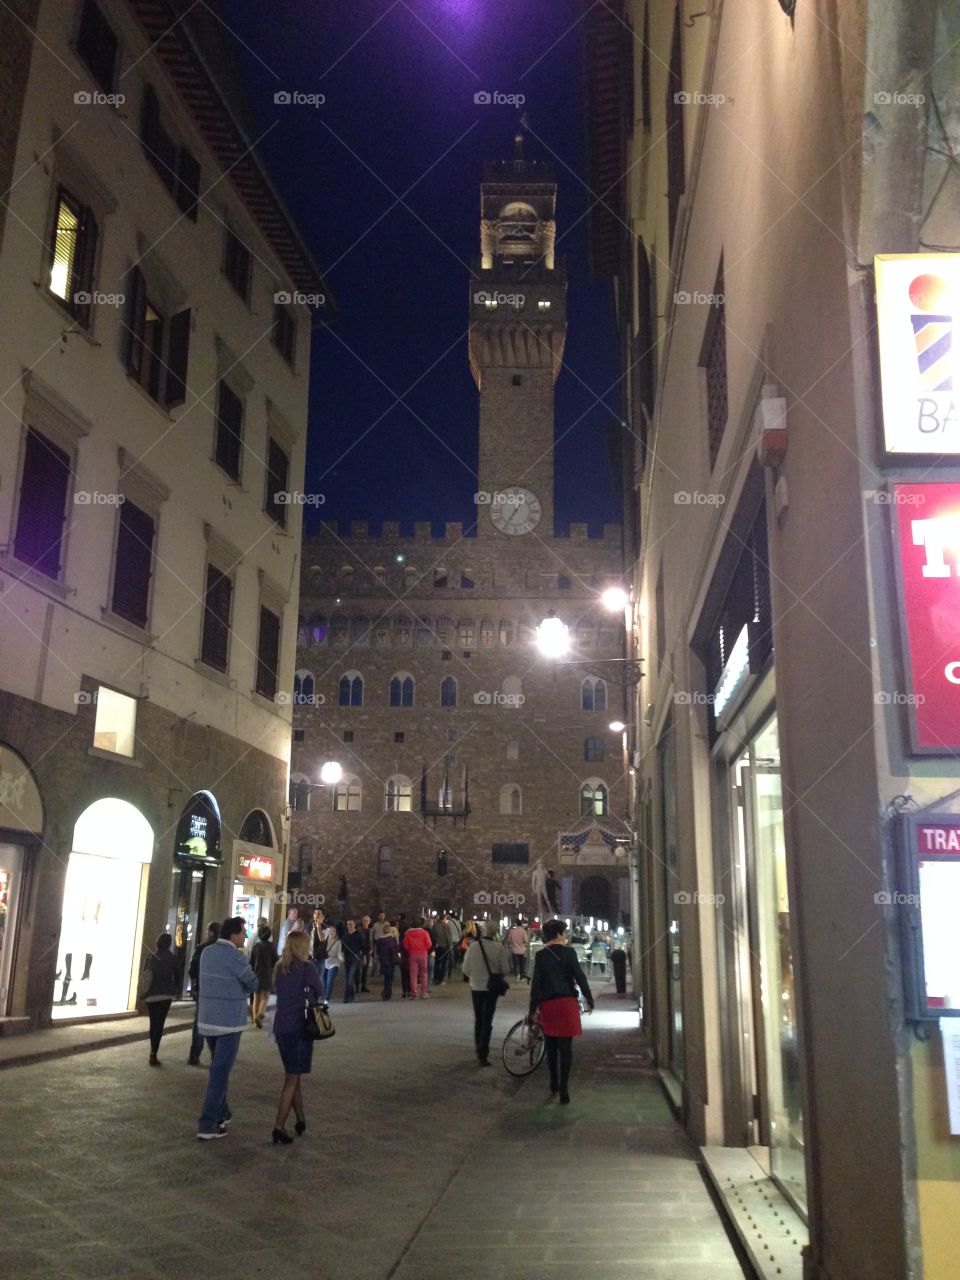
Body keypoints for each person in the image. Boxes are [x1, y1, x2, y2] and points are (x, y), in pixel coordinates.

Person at [196, 917, 258, 1139]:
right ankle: (208, 1124)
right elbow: (252, 982)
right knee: (219, 1074)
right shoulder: (236, 956)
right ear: (233, 935)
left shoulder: (207, 952)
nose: (245, 937)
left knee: (218, 1067)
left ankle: (222, 1112)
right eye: (243, 933)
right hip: (229, 1022)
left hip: (207, 1018)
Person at [528, 918, 594, 1104]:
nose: (565, 936)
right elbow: (579, 976)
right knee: (566, 1049)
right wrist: (589, 998)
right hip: (566, 1003)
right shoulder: (569, 953)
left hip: (548, 1005)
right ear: (558, 934)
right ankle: (564, 1088)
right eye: (563, 933)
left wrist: (532, 1009)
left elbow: (536, 985)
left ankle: (553, 1082)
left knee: (551, 1046)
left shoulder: (541, 956)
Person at [270, 930, 324, 1145]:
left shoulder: (280, 968)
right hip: (300, 1027)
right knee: (292, 1078)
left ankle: (301, 1119)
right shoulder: (307, 968)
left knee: (294, 1074)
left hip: (281, 1027)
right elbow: (319, 989)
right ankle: (279, 1126)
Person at [462, 921, 512, 1066]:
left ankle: (479, 1049)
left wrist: (475, 975)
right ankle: (484, 1052)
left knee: (478, 1018)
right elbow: (505, 969)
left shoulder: (473, 947)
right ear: (495, 933)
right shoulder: (498, 948)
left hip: (476, 986)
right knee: (487, 1019)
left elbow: (465, 968)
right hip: (492, 987)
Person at [142, 933, 180, 1066]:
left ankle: (153, 1050)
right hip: (165, 995)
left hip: (151, 994)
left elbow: (145, 974)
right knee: (159, 1023)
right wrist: (174, 989)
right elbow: (177, 976)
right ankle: (154, 1051)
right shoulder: (172, 958)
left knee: (153, 1023)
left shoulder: (150, 957)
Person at [187, 921, 219, 1066]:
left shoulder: (201, 948)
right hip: (219, 991)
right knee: (216, 1022)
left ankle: (195, 1054)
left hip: (203, 989)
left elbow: (193, 969)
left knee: (199, 1021)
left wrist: (194, 983)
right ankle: (215, 1054)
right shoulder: (224, 950)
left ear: (211, 932)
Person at [249, 924, 277, 1027]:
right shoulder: (271, 946)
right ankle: (260, 1015)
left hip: (256, 974)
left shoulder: (256, 946)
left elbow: (251, 961)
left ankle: (254, 1018)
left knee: (256, 996)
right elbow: (275, 961)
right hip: (267, 974)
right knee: (265, 996)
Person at [403, 918, 433, 999]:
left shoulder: (408, 934)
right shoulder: (424, 933)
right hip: (423, 954)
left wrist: (411, 949)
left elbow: (405, 945)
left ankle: (414, 993)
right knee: (424, 974)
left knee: (413, 975)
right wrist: (424, 949)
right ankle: (423, 993)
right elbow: (429, 944)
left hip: (412, 955)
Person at [340, 919, 364, 1003]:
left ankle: (347, 996)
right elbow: (342, 946)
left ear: (354, 925)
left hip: (355, 957)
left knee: (350, 977)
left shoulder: (358, 934)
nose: (349, 926)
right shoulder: (345, 934)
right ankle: (351, 994)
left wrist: (362, 956)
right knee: (347, 977)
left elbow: (362, 946)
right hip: (347, 957)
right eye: (348, 924)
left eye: (351, 924)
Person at [376, 925, 402, 1000]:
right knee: (390, 977)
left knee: (386, 977)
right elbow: (397, 949)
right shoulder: (392, 939)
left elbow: (377, 951)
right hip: (391, 960)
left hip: (383, 960)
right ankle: (387, 993)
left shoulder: (379, 941)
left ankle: (386, 992)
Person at [322, 921, 342, 1001]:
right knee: (324, 981)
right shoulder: (323, 941)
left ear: (335, 933)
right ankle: (324, 995)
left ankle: (327, 998)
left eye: (333, 931)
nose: (331, 932)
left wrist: (341, 957)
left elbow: (339, 952)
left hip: (334, 963)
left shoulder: (338, 942)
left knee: (329, 981)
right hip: (324, 963)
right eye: (330, 931)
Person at [357, 914, 373, 992]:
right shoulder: (359, 931)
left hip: (367, 952)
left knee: (365, 970)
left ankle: (364, 985)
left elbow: (371, 941)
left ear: (369, 922)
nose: (366, 922)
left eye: (367, 921)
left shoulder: (370, 930)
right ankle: (357, 985)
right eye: (364, 921)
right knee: (359, 969)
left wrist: (371, 949)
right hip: (360, 952)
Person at [370, 910, 387, 977]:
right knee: (375, 958)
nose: (382, 917)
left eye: (383, 915)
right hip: (377, 942)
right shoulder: (375, 924)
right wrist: (371, 941)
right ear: (378, 916)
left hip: (384, 943)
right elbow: (372, 933)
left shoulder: (387, 924)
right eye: (380, 916)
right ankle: (374, 971)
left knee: (383, 958)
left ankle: (382, 971)